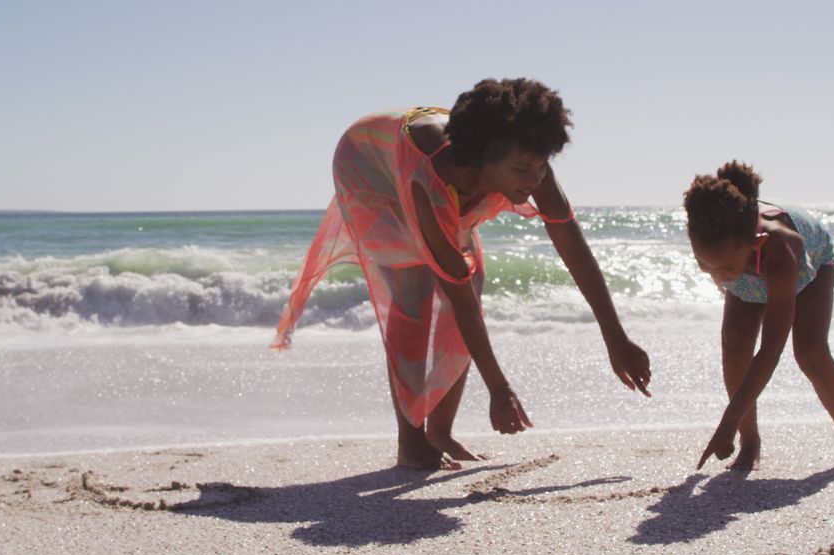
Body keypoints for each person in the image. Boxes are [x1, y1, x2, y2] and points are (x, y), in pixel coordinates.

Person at [273, 78, 651, 470]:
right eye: (523, 169)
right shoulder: (433, 178)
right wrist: (498, 387)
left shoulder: (524, 156)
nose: (535, 179)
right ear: (481, 159)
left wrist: (615, 336)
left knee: (474, 280)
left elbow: (569, 239)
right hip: (368, 168)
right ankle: (412, 441)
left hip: (446, 170)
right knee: (414, 293)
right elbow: (460, 303)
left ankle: (441, 429)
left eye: (542, 166)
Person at [685, 160, 834, 471]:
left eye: (722, 269)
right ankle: (750, 443)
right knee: (735, 344)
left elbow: (770, 350)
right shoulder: (716, 239)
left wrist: (727, 420)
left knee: (810, 351)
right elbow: (722, 265)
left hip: (810, 267)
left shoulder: (782, 249)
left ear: (756, 243)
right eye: (703, 263)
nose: (717, 276)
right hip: (748, 267)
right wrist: (722, 271)